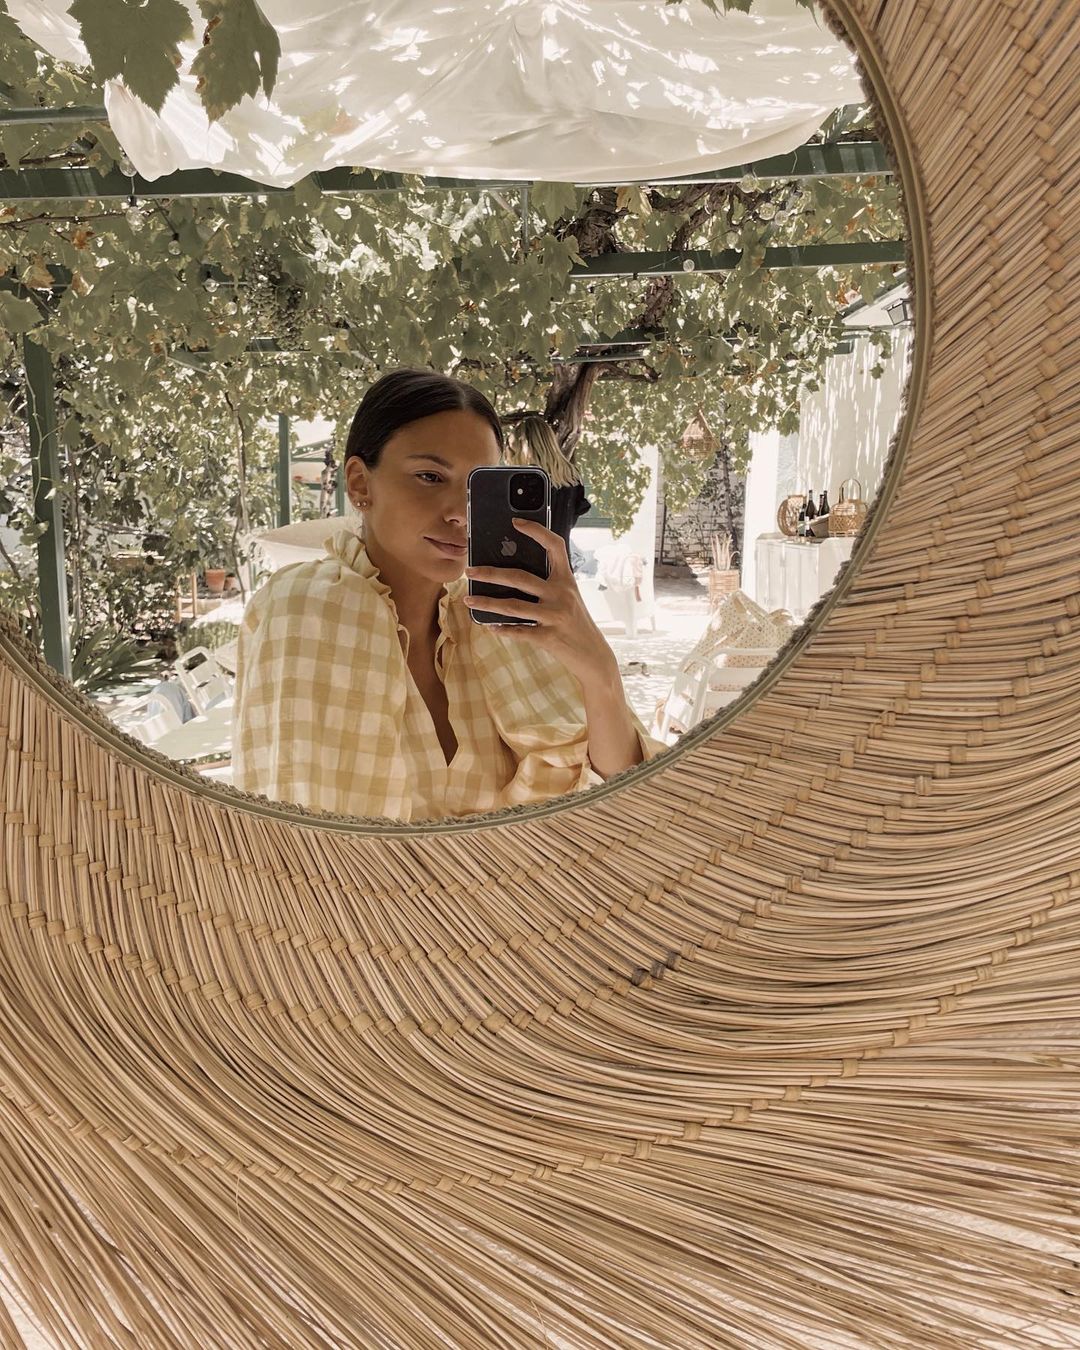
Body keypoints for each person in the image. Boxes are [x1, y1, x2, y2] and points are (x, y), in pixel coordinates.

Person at [233, 369, 664, 822]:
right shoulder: (304, 609)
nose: (461, 513)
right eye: (430, 477)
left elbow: (623, 799)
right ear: (359, 484)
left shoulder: (508, 620)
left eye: (478, 486)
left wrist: (600, 673)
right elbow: (291, 823)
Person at [504, 415, 592, 570]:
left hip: (524, 568)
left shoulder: (518, 482)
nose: (507, 457)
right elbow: (570, 523)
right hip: (561, 567)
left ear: (520, 448)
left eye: (511, 449)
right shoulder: (573, 478)